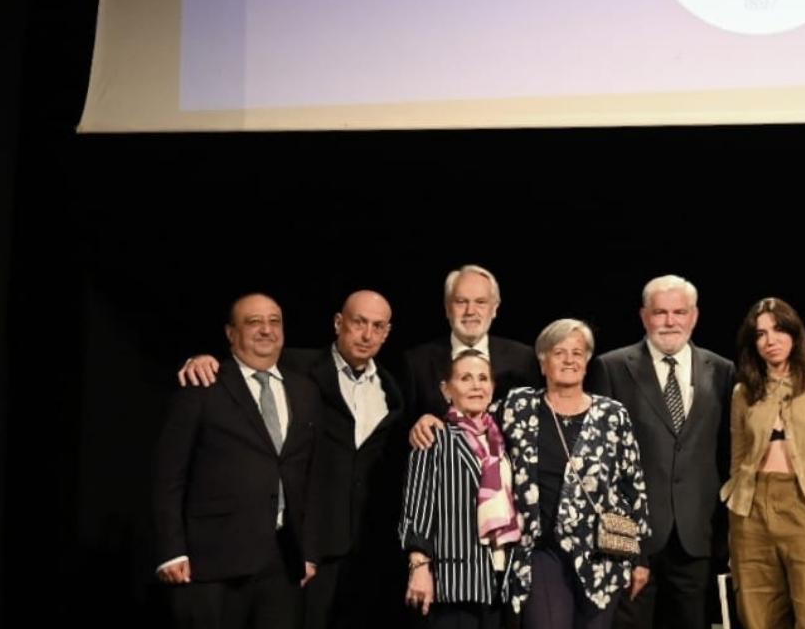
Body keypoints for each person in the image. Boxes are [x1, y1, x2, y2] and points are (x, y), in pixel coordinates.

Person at [176, 290, 409, 628]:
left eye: (377, 326)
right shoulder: (295, 366)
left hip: (369, 545)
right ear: (338, 323)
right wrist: (200, 359)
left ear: (387, 331)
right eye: (359, 322)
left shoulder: (394, 385)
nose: (367, 334)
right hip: (307, 546)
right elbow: (247, 362)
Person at [152, 294, 321, 629]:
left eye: (274, 321)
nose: (266, 330)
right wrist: (171, 550)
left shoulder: (304, 390)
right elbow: (168, 476)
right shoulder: (202, 384)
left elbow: (311, 476)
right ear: (231, 333)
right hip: (212, 564)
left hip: (283, 563)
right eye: (253, 322)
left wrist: (309, 551)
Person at [587, 274, 736, 629]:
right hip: (634, 539)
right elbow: (603, 464)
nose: (670, 321)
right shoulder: (611, 367)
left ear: (694, 316)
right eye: (660, 313)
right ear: (643, 316)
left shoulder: (722, 370)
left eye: (679, 312)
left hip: (695, 538)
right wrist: (623, 541)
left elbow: (727, 455)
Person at [723, 298, 805, 629]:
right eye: (761, 334)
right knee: (758, 615)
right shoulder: (744, 391)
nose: (771, 340)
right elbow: (738, 457)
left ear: (794, 332)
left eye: (778, 330)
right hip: (751, 510)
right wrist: (738, 506)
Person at [399, 349, 519, 626]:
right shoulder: (434, 436)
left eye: (482, 378)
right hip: (454, 581)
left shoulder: (504, 441)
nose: (476, 385)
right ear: (446, 390)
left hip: (499, 579)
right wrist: (419, 566)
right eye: (465, 378)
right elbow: (418, 508)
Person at [403, 265, 541, 421]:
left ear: (494, 308)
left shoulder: (523, 359)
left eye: (480, 302)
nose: (470, 311)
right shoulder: (417, 362)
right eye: (461, 302)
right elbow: (403, 428)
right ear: (448, 308)